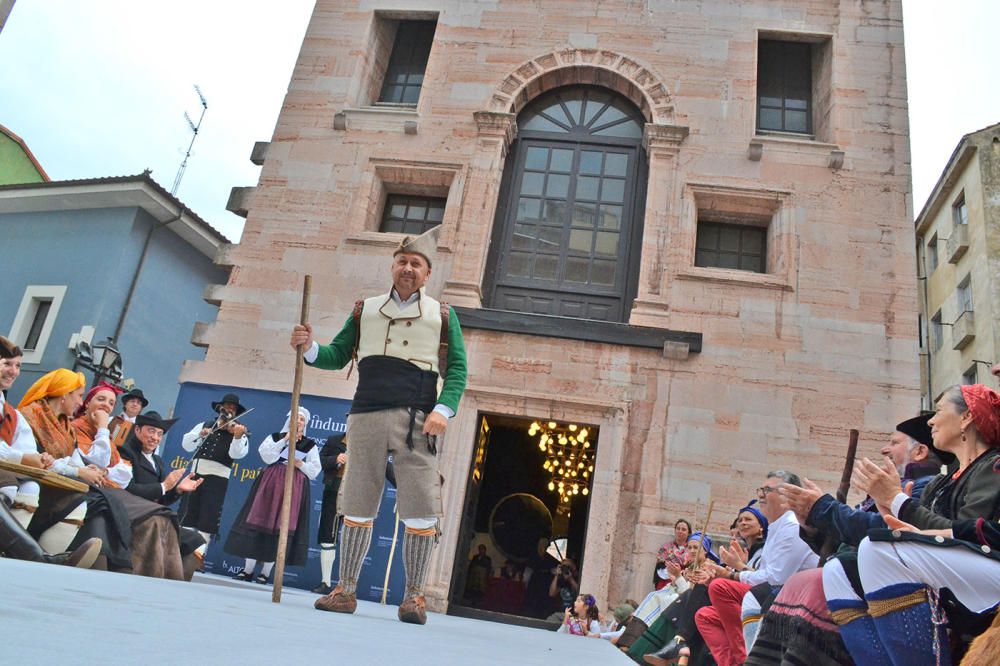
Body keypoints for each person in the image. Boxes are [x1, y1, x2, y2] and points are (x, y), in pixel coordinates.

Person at [299, 226, 469, 625]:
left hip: (417, 419)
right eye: (402, 262)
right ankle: (346, 590)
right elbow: (338, 354)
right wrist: (309, 348)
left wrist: (443, 409)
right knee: (357, 499)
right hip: (366, 415)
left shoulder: (443, 315)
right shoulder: (365, 308)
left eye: (417, 264)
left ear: (428, 274)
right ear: (392, 266)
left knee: (422, 507)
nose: (408, 268)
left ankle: (414, 597)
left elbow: (458, 369)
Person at [829, 384, 1000, 665]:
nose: (931, 420)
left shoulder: (994, 466)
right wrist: (889, 508)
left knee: (878, 550)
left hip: (988, 564)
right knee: (838, 570)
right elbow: (921, 531)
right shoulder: (941, 482)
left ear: (967, 417)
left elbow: (970, 532)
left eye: (939, 410)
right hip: (957, 565)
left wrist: (898, 502)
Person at [694, 471, 819, 666]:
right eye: (761, 489)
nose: (761, 494)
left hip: (790, 596)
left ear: (787, 496)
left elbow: (775, 578)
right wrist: (735, 570)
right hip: (769, 592)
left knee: (720, 588)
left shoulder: (791, 527)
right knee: (705, 616)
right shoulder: (777, 527)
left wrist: (733, 574)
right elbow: (765, 573)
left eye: (768, 490)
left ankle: (746, 659)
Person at [225, 407, 320, 584]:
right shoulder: (275, 436)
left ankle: (265, 574)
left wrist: (301, 465)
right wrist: (284, 439)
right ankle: (247, 571)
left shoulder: (310, 444)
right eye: (295, 418)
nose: (298, 422)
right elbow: (266, 456)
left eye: (301, 419)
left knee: (281, 526)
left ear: (305, 424)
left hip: (294, 485)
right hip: (271, 483)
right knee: (259, 521)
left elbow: (315, 470)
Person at [178, 392, 249, 545]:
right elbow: (186, 445)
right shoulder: (205, 425)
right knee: (188, 513)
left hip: (218, 478)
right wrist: (200, 434)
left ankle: (198, 555)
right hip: (196, 473)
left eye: (233, 408)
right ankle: (182, 549)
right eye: (227, 407)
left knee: (208, 518)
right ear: (220, 408)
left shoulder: (239, 431)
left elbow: (237, 453)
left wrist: (237, 437)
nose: (230, 410)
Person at [314, 431, 347, 595]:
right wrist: (336, 459)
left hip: (357, 496)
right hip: (333, 491)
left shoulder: (369, 443)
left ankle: (347, 586)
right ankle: (325, 582)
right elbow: (319, 461)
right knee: (328, 534)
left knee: (353, 538)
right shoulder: (334, 440)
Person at [653, 518, 691, 590]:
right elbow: (660, 567)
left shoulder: (691, 549)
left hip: (684, 580)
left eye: (683, 529)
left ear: (689, 533)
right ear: (675, 530)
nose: (680, 531)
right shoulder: (665, 548)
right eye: (678, 528)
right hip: (666, 580)